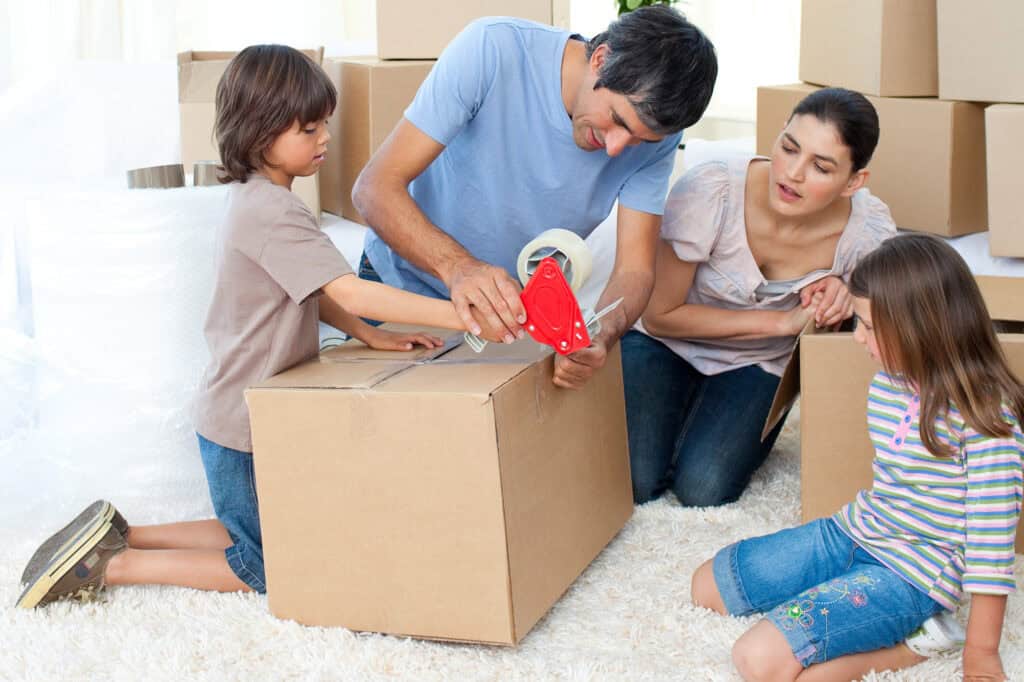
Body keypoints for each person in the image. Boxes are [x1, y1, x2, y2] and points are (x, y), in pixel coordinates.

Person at [16, 44, 487, 607]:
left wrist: (370, 334)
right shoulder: (273, 211)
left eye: (325, 126)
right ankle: (117, 565)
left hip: (238, 413)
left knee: (254, 531)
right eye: (309, 129)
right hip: (241, 425)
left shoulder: (261, 200)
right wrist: (465, 309)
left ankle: (126, 534)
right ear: (263, 133)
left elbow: (313, 290)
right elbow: (346, 288)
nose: (325, 140)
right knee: (261, 565)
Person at [689, 234, 1024, 681]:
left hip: (913, 575)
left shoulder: (988, 419)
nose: (857, 339)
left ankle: (920, 643)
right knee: (708, 585)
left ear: (919, 325)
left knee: (760, 660)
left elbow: (990, 546)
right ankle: (840, 603)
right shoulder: (889, 382)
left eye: (867, 326)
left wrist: (982, 653)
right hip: (854, 533)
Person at [352, 6, 717, 389]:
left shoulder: (657, 138)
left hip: (499, 319)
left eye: (640, 140)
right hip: (397, 288)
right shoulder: (493, 48)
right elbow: (374, 188)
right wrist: (459, 267)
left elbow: (635, 270)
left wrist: (601, 332)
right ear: (601, 59)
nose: (616, 149)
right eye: (619, 121)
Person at [624, 87, 896, 507]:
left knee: (704, 489)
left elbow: (874, 328)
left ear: (854, 181)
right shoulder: (711, 189)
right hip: (666, 343)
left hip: (758, 363)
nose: (792, 173)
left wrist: (849, 295)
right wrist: (780, 323)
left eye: (821, 167)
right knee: (637, 483)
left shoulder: (867, 234)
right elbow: (660, 316)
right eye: (789, 148)